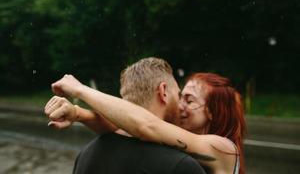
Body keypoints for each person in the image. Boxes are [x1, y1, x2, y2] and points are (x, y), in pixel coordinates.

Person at [47, 57, 246, 174]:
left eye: (190, 100)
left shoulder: (223, 149)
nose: (180, 105)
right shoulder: (174, 149)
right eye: (180, 95)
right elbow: (124, 127)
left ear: (213, 112)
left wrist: (80, 91)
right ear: (163, 92)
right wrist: (78, 113)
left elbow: (146, 125)